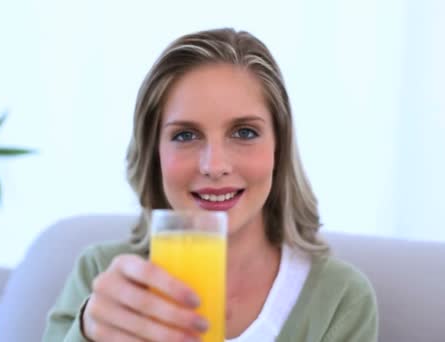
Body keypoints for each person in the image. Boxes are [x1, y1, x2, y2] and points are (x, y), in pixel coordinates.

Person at [43, 28, 378, 342]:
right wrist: (88, 332)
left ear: (279, 147)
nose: (214, 166)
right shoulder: (99, 274)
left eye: (245, 132)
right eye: (185, 135)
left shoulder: (341, 298)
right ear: (154, 152)